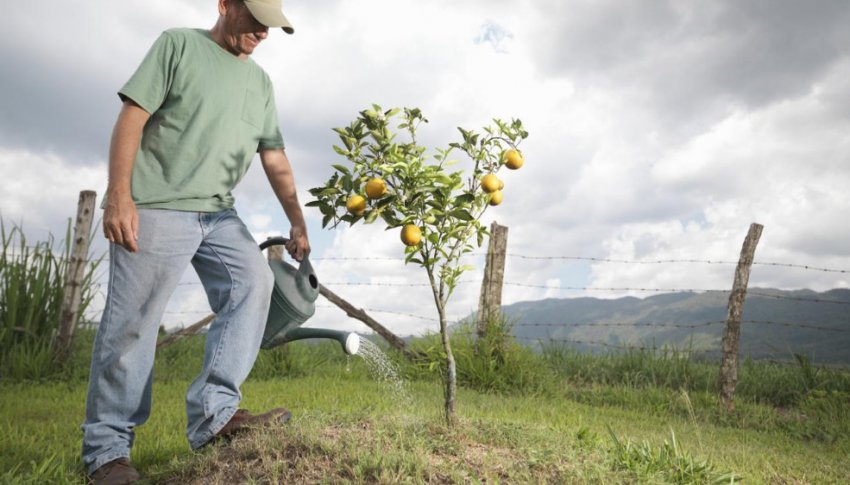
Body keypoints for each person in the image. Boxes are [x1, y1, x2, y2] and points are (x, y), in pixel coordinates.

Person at [81, 1, 309, 483]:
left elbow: (275, 158)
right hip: (156, 203)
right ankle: (107, 452)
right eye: (256, 22)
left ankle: (216, 416)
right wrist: (120, 195)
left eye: (271, 28)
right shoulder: (178, 45)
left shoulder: (261, 83)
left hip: (218, 213)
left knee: (253, 282)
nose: (263, 34)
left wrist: (298, 221)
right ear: (226, 5)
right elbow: (132, 117)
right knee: (134, 324)